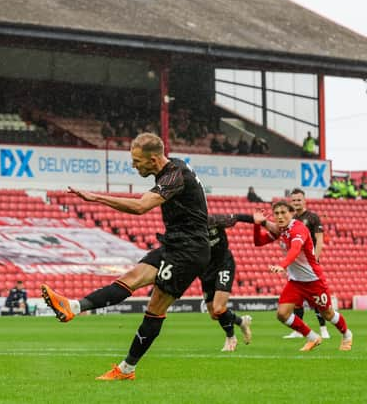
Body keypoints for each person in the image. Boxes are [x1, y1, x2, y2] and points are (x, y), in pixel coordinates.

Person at [41, 132, 209, 380]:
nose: (133, 165)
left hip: (190, 251)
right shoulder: (171, 170)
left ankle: (126, 369)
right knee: (131, 278)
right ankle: (73, 307)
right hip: (175, 244)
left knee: (155, 308)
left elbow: (141, 207)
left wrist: (96, 197)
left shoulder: (176, 174)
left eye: (137, 160)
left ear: (153, 159)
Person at [253, 201, 352, 351]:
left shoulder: (298, 229)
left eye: (283, 212)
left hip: (314, 280)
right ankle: (312, 337)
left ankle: (347, 335)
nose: (279, 216)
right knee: (282, 314)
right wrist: (256, 224)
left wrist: (282, 265)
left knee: (328, 314)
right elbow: (258, 242)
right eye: (277, 213)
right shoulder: (281, 230)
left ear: (292, 213)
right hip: (296, 282)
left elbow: (295, 249)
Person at [203, 214, 254, 351]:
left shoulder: (214, 220)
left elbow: (237, 217)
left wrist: (259, 220)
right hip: (205, 270)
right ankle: (241, 322)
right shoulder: (189, 228)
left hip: (223, 264)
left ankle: (231, 338)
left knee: (218, 307)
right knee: (214, 314)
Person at [283, 189, 328, 339]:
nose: (296, 203)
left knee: (315, 298)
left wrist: (316, 258)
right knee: (297, 299)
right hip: (295, 265)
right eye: (294, 200)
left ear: (304, 200)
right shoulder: (290, 219)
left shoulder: (312, 217)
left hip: (309, 263)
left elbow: (319, 239)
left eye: (299, 200)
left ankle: (323, 329)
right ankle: (298, 330)